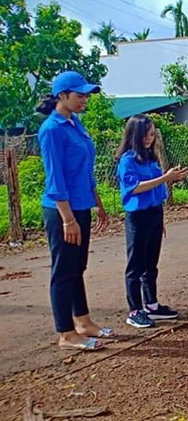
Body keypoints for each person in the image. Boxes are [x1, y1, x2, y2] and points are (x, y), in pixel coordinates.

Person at [36, 71, 113, 351]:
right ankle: (66, 333)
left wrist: (99, 205)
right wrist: (68, 219)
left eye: (86, 95)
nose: (84, 100)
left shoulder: (75, 124)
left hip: (80, 206)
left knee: (77, 268)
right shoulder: (52, 129)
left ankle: (83, 322)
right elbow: (55, 179)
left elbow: (86, 171)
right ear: (62, 96)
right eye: (79, 95)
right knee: (63, 271)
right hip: (61, 212)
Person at [116, 115, 188, 328]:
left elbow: (155, 189)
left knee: (151, 264)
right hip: (138, 217)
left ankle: (152, 305)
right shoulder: (127, 160)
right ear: (135, 135)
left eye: (152, 134)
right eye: (147, 134)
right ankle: (135, 310)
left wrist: (161, 220)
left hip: (154, 213)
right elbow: (135, 188)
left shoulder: (150, 158)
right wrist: (166, 178)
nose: (150, 138)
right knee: (136, 265)